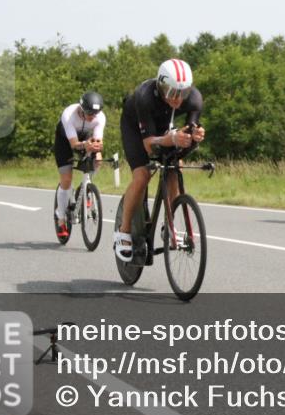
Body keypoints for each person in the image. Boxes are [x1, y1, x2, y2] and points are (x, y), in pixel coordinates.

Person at [115, 59, 205, 264]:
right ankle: (124, 230)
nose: (177, 99)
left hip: (165, 127)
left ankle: (170, 225)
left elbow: (190, 130)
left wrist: (195, 134)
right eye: (171, 93)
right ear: (160, 86)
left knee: (175, 167)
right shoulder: (144, 96)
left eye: (182, 93)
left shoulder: (194, 99)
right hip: (136, 129)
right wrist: (172, 138)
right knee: (142, 175)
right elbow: (148, 145)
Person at [53, 92, 106, 237]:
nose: (92, 117)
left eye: (95, 114)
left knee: (98, 158)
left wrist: (96, 147)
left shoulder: (100, 117)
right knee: (66, 179)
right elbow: (74, 144)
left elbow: (97, 141)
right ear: (81, 109)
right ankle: (61, 217)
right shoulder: (69, 114)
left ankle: (85, 189)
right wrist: (85, 145)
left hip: (85, 138)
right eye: (89, 113)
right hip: (66, 140)